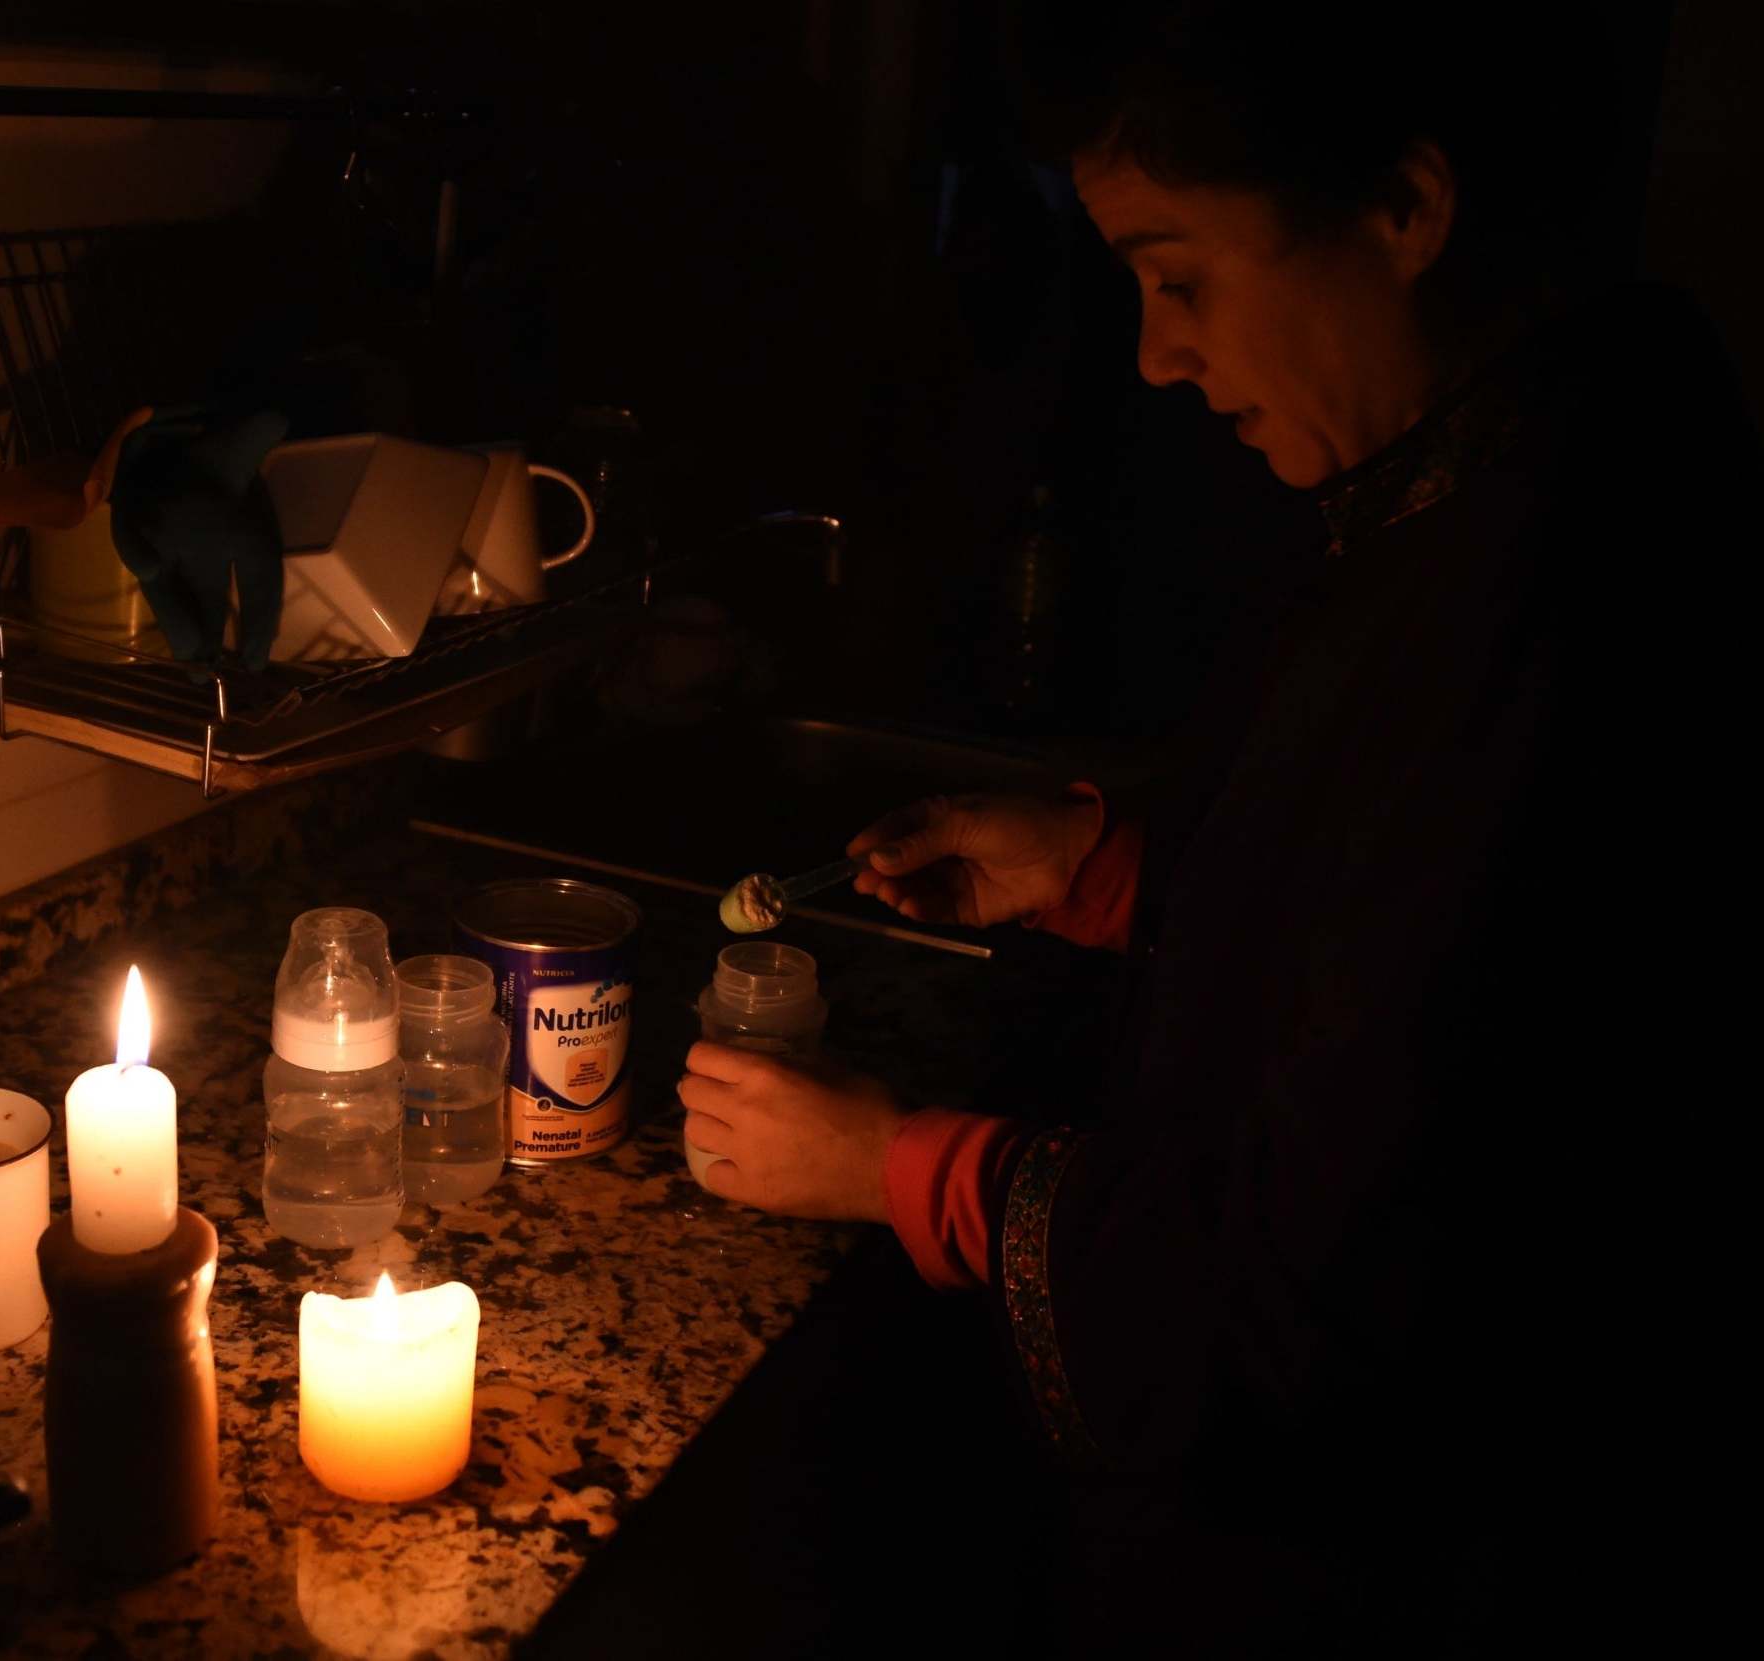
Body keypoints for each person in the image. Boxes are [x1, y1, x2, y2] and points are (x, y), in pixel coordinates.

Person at [678, 2, 1754, 1651]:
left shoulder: (1555, 585)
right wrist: (1114, 869)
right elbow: (1389, 914)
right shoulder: (1492, 466)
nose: (1155, 356)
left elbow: (1322, 1294)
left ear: (1403, 210)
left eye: (1178, 276)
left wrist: (893, 1162)